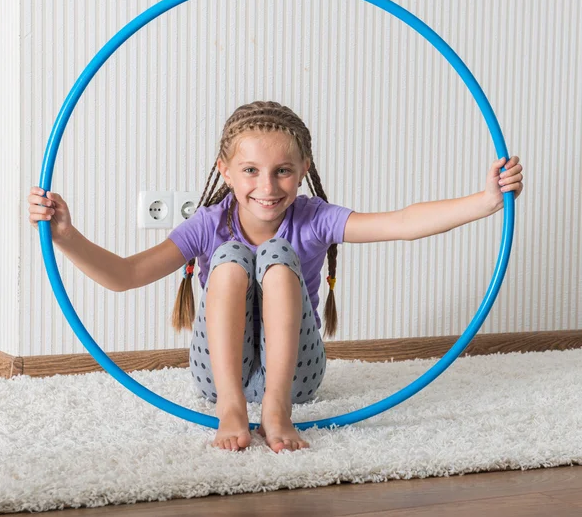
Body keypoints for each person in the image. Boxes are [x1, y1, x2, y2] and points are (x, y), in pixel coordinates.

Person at [28, 100, 524, 453]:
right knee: (230, 257)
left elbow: (400, 223)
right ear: (225, 170)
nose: (267, 187)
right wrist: (66, 236)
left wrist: (484, 201)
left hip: (297, 378)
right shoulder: (208, 224)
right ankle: (232, 407)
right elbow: (125, 274)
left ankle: (276, 408)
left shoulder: (313, 218)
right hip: (216, 377)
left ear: (304, 169)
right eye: (250, 171)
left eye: (283, 171)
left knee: (277, 254)